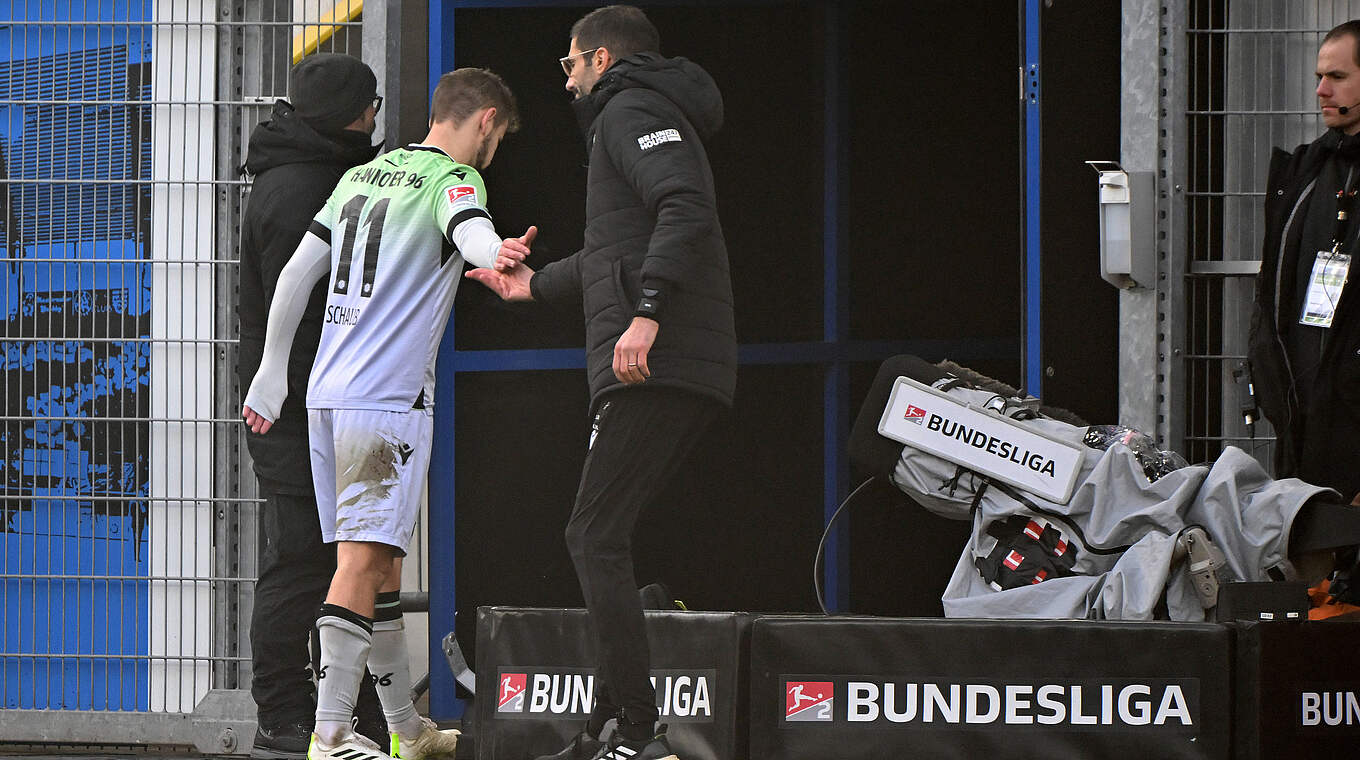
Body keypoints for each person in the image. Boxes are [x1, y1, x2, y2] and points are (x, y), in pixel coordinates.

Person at [465, 7, 736, 760]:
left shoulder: (633, 109)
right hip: (658, 359)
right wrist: (534, 286)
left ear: (601, 58)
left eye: (570, 64)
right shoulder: (631, 116)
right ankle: (609, 728)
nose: (568, 78)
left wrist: (646, 316)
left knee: (594, 535)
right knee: (600, 536)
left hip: (657, 360)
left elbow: (685, 206)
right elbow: (612, 250)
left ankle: (639, 733)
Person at [243, 67, 534, 760]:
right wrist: (505, 256)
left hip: (322, 397)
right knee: (359, 561)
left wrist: (269, 373)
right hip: (384, 403)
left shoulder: (363, 175)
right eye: (499, 138)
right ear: (486, 121)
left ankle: (404, 728)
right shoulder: (453, 181)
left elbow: (292, 278)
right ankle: (332, 734)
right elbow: (474, 237)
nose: (495, 152)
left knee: (384, 568)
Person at [237, 52, 389, 759]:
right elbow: (301, 313)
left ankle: (334, 713)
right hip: (299, 410)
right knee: (305, 560)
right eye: (371, 106)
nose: (375, 118)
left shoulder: (294, 171)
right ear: (348, 115)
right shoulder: (307, 187)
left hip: (303, 405)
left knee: (328, 558)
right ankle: (285, 717)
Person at [1248, 19, 1360, 507]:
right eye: (1319, 76)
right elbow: (1273, 289)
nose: (1321, 89)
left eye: (1336, 76)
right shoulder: (1306, 171)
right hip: (1302, 418)